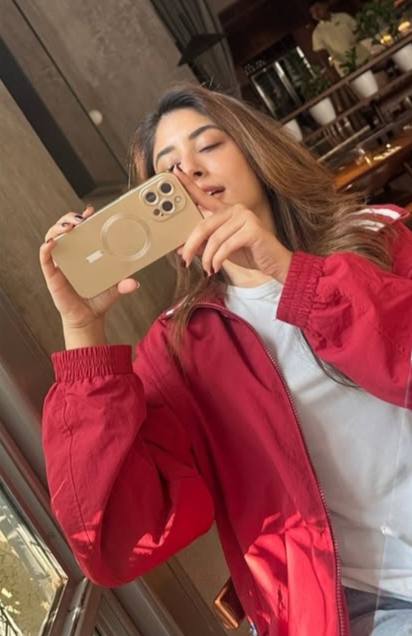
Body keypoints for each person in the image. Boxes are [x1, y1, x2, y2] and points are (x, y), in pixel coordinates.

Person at [40, 84, 412, 636]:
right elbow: (115, 544)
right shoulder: (178, 351)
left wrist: (292, 273)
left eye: (208, 145)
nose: (188, 171)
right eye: (167, 171)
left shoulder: (375, 238)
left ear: (256, 153)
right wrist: (82, 331)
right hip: (359, 609)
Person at [309, 0, 370, 76]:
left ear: (325, 5)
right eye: (313, 13)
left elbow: (359, 32)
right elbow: (322, 55)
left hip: (364, 57)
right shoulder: (317, 33)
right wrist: (331, 73)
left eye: (317, 9)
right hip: (347, 68)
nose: (316, 14)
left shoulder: (343, 17)